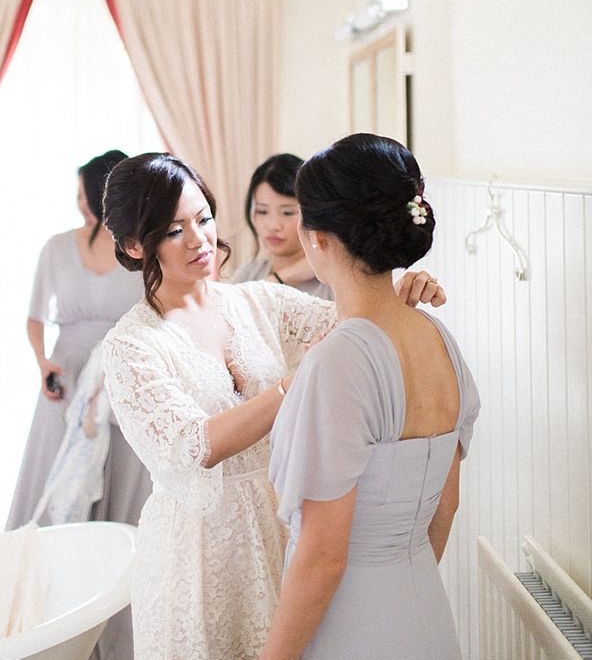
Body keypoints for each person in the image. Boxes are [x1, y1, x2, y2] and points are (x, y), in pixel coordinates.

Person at [100, 152, 445, 659]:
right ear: (134, 245)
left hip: (281, 528)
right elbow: (197, 445)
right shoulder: (131, 346)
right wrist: (292, 385)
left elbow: (350, 320)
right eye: (173, 231)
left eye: (203, 218)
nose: (198, 239)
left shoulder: (258, 301)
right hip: (197, 554)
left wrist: (402, 289)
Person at [262, 134, 480, 659]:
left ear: (318, 238)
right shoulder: (439, 340)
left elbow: (322, 558)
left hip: (350, 624)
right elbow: (444, 508)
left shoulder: (337, 361)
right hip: (424, 610)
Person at [6, 150, 148, 532]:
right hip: (66, 372)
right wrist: (42, 362)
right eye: (80, 194)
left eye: (88, 193)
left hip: (122, 372)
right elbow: (34, 318)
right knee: (55, 474)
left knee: (117, 471)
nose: (81, 203)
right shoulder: (55, 247)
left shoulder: (144, 249)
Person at [233, 153, 330, 298]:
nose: (273, 226)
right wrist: (284, 276)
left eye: (287, 213)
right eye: (262, 211)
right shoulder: (248, 273)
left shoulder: (329, 280)